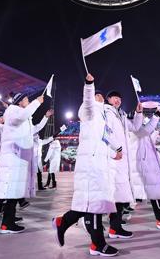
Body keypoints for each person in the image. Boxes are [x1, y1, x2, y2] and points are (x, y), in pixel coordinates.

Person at [52, 73, 122, 257]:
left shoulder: (102, 117)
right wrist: (89, 85)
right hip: (90, 163)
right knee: (95, 203)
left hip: (100, 161)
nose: (99, 97)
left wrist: (116, 151)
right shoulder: (88, 108)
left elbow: (105, 139)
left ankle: (63, 221)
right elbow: (89, 102)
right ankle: (97, 244)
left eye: (100, 95)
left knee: (90, 202)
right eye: (97, 95)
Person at [0, 92, 50, 234]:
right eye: (27, 99)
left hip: (20, 159)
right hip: (12, 158)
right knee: (4, 191)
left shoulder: (23, 117)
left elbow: (35, 128)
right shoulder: (13, 111)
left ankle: (7, 224)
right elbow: (22, 116)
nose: (28, 101)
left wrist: (45, 117)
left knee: (14, 194)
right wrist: (37, 102)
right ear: (19, 102)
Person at [129, 103, 160, 229]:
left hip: (147, 165)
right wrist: (155, 117)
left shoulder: (140, 130)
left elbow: (150, 130)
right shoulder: (134, 130)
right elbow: (146, 130)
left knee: (154, 195)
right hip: (143, 166)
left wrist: (157, 116)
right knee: (151, 194)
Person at [104, 89, 144, 239]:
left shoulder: (121, 114)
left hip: (122, 160)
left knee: (120, 195)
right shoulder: (107, 113)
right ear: (108, 100)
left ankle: (115, 227)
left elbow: (135, 127)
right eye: (114, 98)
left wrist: (138, 113)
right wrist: (114, 152)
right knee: (115, 194)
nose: (117, 100)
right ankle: (113, 227)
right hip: (114, 159)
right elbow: (105, 134)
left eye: (119, 98)